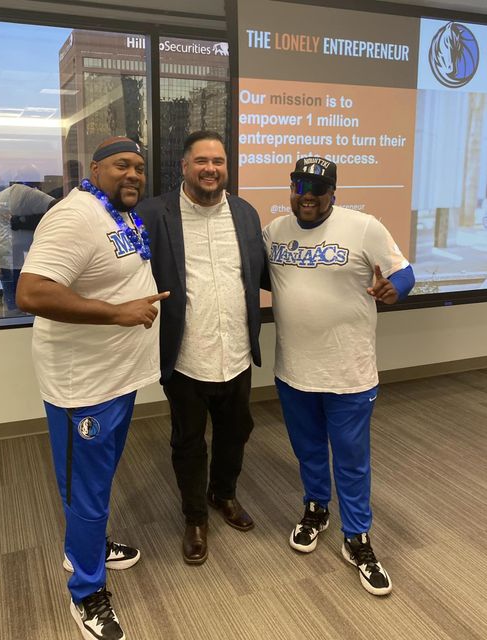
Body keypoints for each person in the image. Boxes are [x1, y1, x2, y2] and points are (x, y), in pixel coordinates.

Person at [16, 137, 169, 640]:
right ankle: (86, 591)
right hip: (83, 386)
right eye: (122, 165)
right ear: (95, 167)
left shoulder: (117, 214)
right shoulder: (73, 216)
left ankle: (87, 545)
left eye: (141, 168)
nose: (134, 175)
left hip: (117, 377)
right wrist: (117, 313)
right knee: (88, 489)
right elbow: (31, 291)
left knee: (96, 482)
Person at [263, 156, 415, 597]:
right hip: (293, 371)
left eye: (317, 189)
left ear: (334, 193)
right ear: (291, 187)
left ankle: (358, 538)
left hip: (349, 372)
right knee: (309, 451)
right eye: (299, 186)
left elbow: (403, 271)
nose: (307, 195)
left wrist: (395, 288)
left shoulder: (364, 227)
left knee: (350, 460)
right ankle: (315, 509)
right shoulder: (274, 231)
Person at [136, 130, 268, 565]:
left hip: (236, 351)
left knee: (237, 432)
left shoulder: (246, 214)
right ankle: (195, 517)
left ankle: (223, 494)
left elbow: (259, 274)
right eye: (202, 161)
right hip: (187, 354)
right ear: (185, 167)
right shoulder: (155, 213)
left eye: (219, 161)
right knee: (189, 441)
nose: (211, 169)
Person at [0, 183, 53, 313]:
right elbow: (55, 207)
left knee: (10, 291)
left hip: (4, 248)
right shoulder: (30, 193)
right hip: (23, 249)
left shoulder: (2, 194)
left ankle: (11, 315)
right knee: (26, 292)